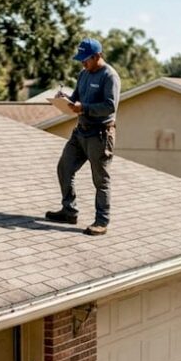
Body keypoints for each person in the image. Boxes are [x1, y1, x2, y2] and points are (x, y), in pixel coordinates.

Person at [45, 37, 121, 236]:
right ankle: (69, 211)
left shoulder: (109, 76)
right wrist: (65, 101)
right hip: (81, 132)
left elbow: (109, 106)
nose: (82, 63)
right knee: (64, 167)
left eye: (86, 59)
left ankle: (101, 221)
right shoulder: (84, 74)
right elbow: (76, 98)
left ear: (98, 56)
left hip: (100, 135)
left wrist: (84, 108)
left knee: (101, 180)